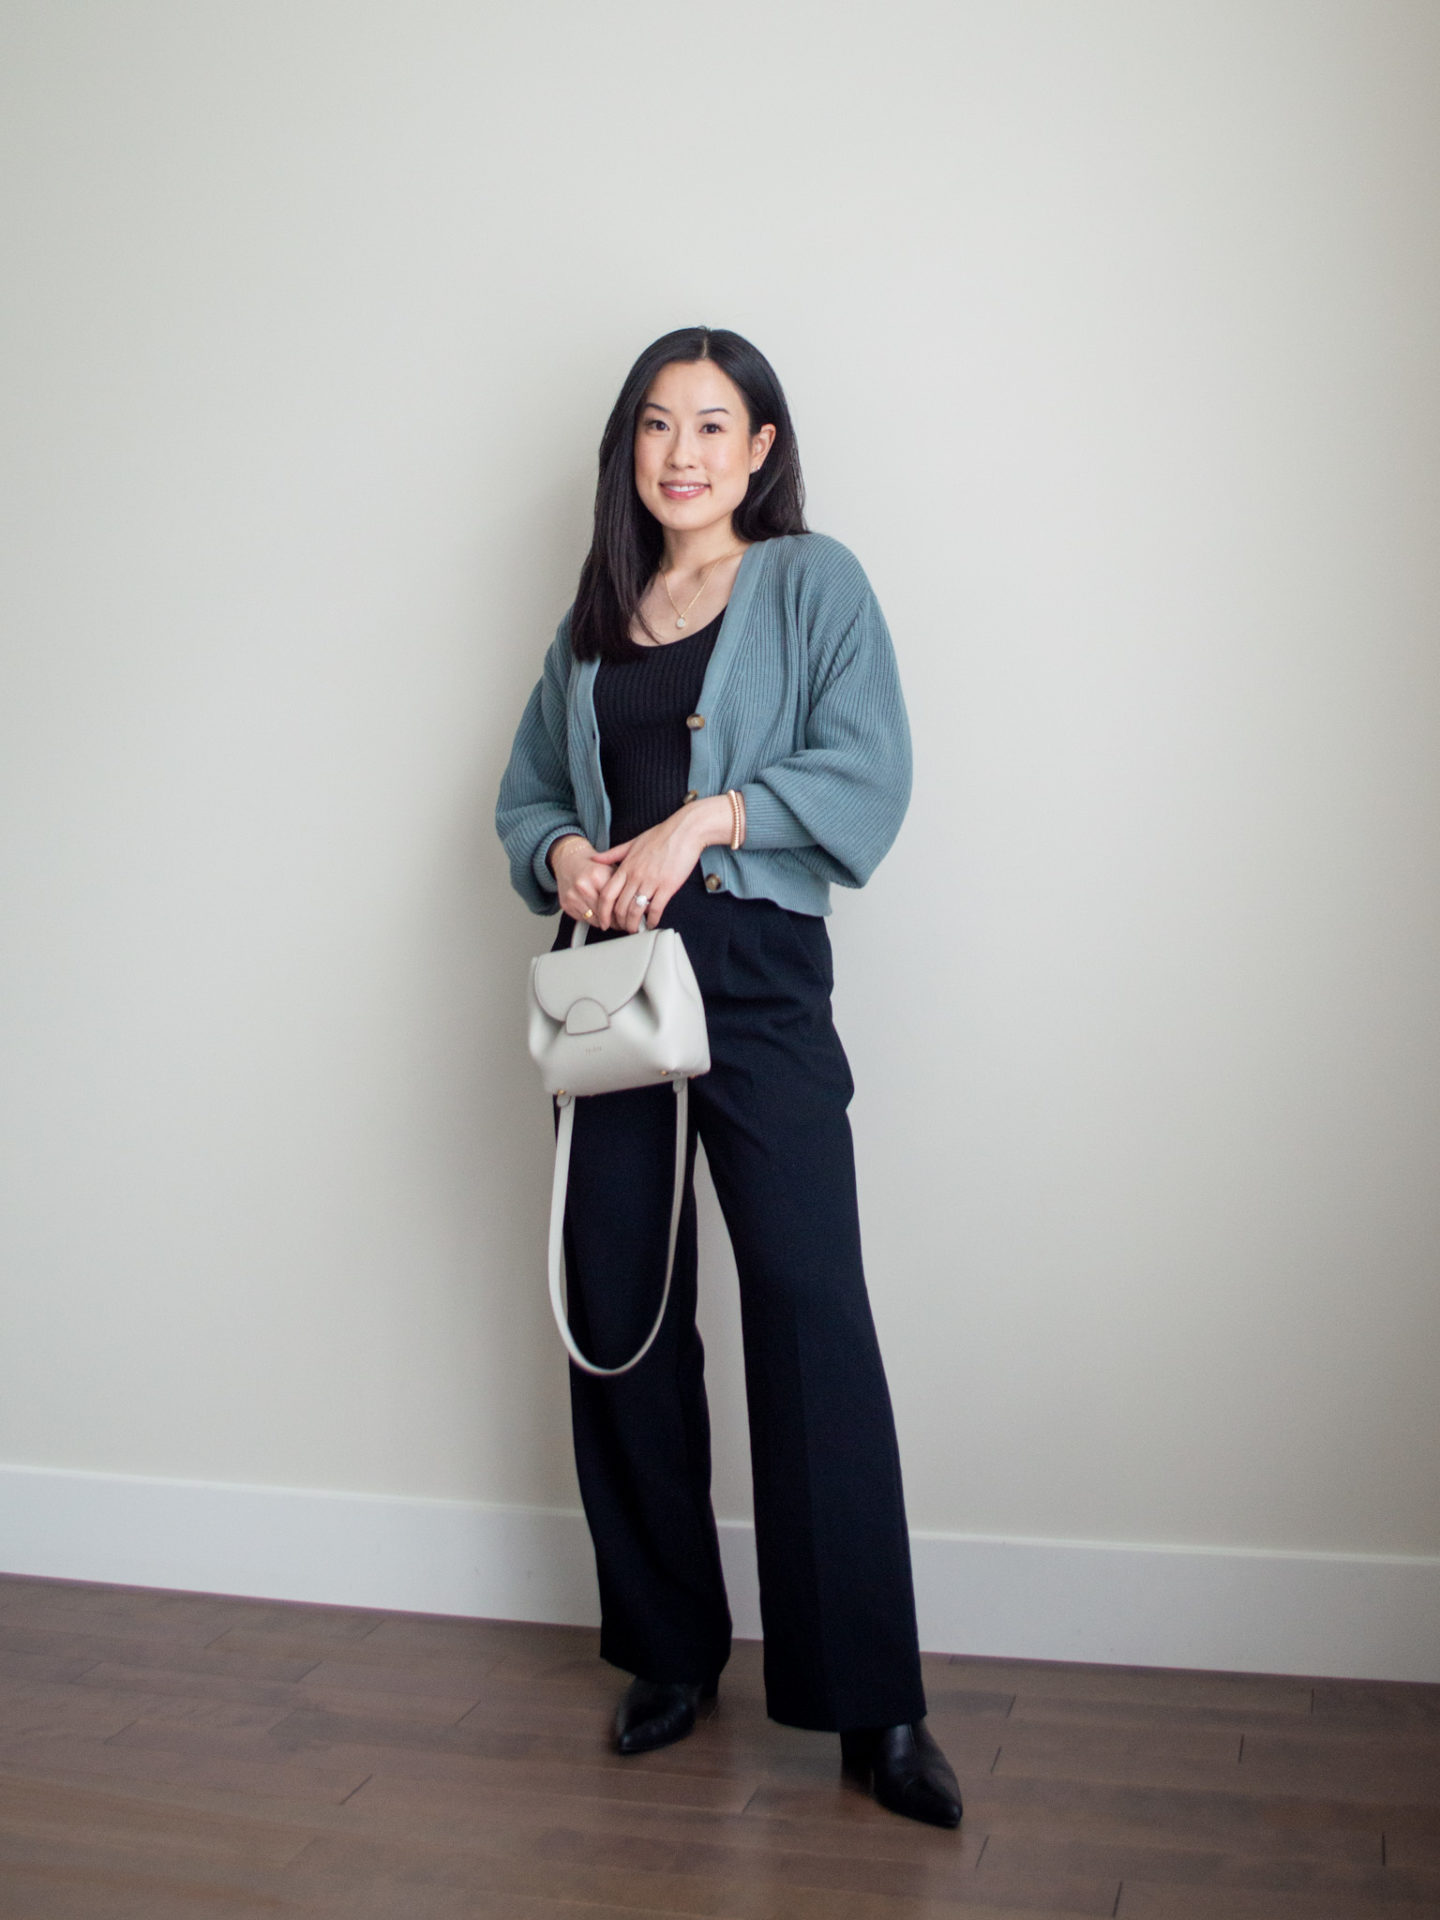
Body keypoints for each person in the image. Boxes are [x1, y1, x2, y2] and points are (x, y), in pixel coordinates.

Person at [495, 326, 961, 1829]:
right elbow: (526, 798)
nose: (681, 453)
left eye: (713, 424)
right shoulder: (597, 612)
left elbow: (868, 767)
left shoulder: (815, 583)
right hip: (610, 987)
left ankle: (872, 1705)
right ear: (630, 451)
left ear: (762, 448)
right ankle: (671, 1651)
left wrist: (708, 822)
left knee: (812, 1307)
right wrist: (566, 852)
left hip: (753, 985)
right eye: (655, 426)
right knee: (620, 1310)